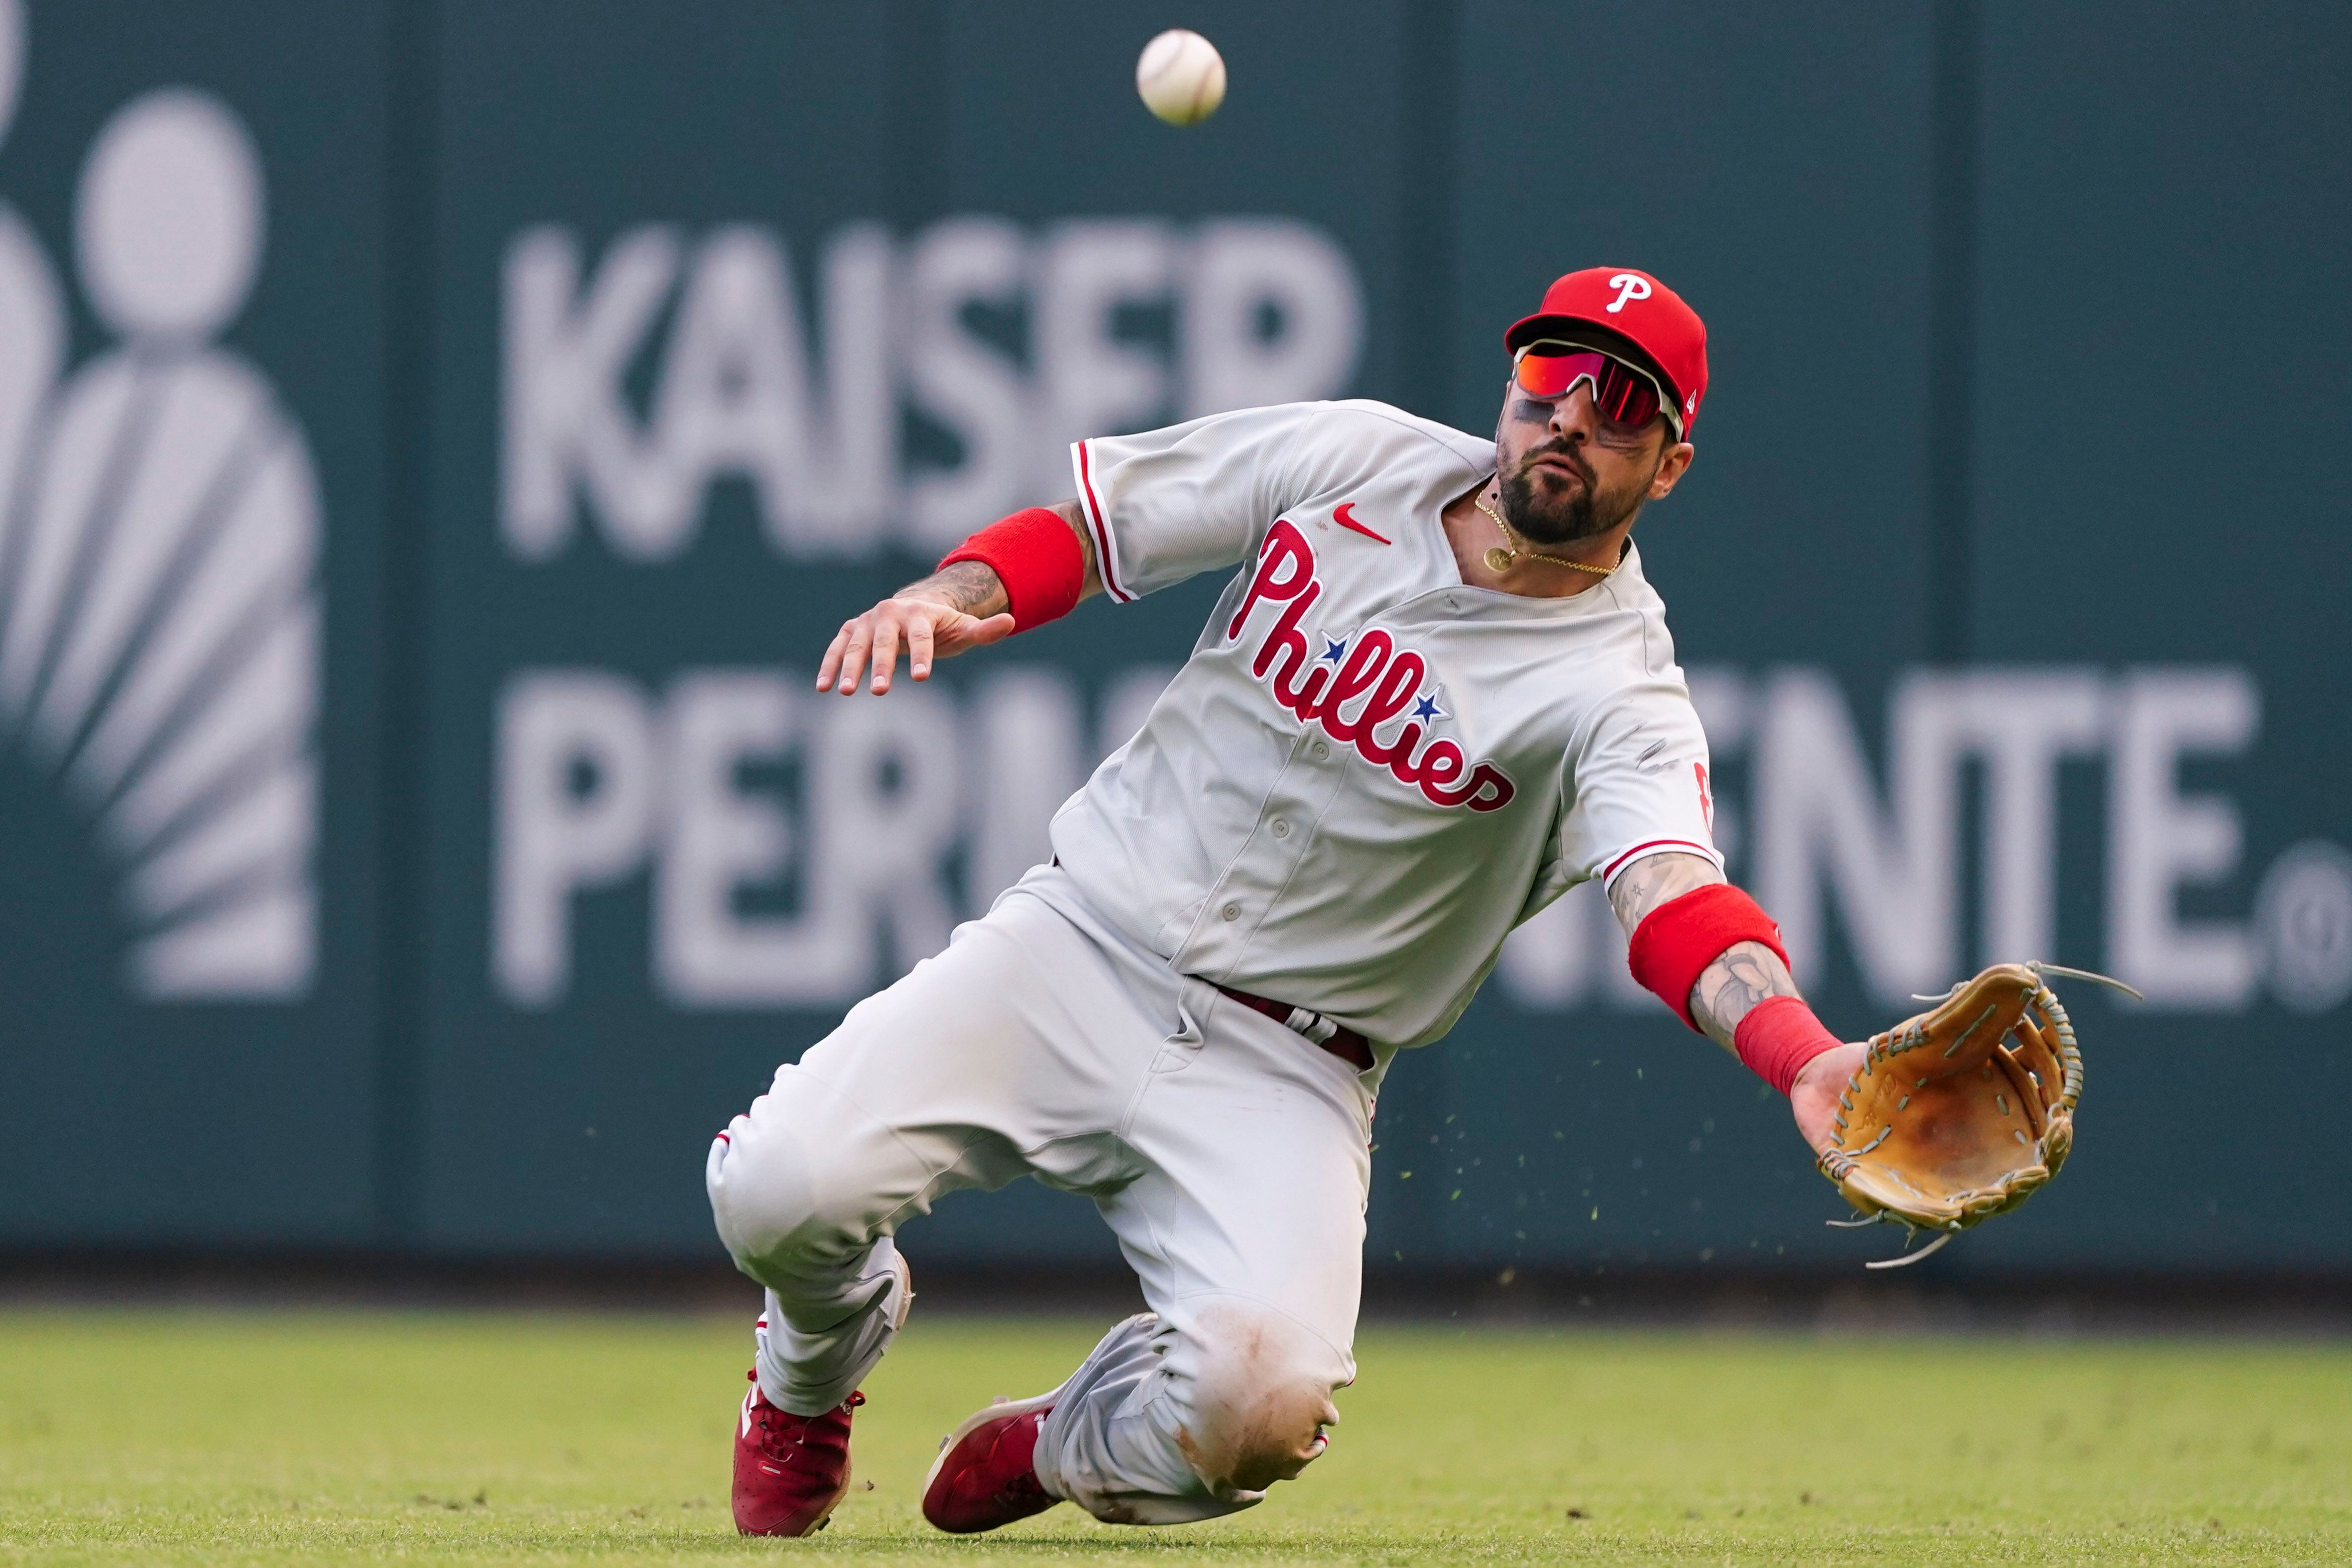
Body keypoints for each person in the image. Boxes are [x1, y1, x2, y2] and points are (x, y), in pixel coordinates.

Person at [707, 267, 1867, 1536]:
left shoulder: (1620, 687)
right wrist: (949, 590)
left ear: (1668, 464)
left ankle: (1064, 1437)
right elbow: (1100, 527)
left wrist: (1799, 1057)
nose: (1569, 420)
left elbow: (1664, 893)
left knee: (1259, 1410)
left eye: (1621, 403)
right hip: (1081, 941)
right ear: (1511, 385)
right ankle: (807, 1375)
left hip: (1286, 1063)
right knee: (776, 1187)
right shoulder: (1353, 457)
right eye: (1548, 379)